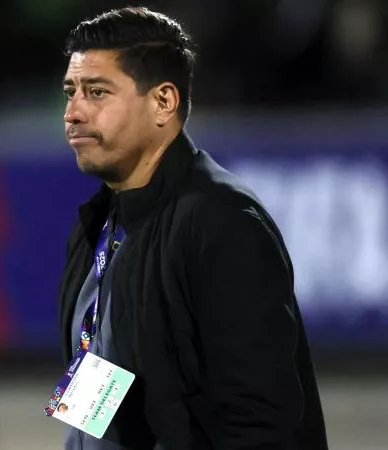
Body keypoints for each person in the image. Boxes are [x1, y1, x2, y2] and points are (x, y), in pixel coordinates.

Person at [57, 6, 328, 450]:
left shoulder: (223, 223)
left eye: (97, 92)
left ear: (163, 102)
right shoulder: (96, 226)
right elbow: (92, 414)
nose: (73, 113)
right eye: (71, 92)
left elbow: (261, 422)